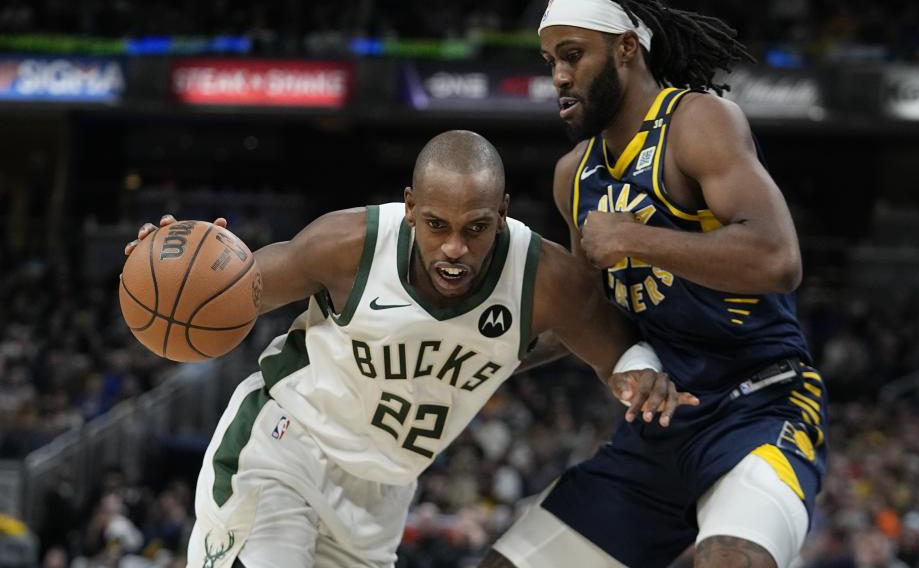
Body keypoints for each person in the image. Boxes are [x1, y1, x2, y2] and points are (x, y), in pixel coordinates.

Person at [123, 130, 696, 568]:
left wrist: (638, 372)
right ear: (409, 207)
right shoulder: (348, 245)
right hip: (284, 453)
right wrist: (177, 268)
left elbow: (612, 350)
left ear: (503, 214)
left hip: (383, 497)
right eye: (435, 224)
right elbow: (237, 291)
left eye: (474, 228)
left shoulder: (546, 279)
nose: (453, 248)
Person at [484, 0, 827, 568]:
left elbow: (778, 259)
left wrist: (637, 239)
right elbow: (588, 317)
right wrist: (485, 354)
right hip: (660, 428)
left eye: (572, 55)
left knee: (727, 559)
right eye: (549, 62)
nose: (559, 77)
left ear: (624, 48)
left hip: (758, 406)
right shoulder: (573, 176)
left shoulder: (699, 122)